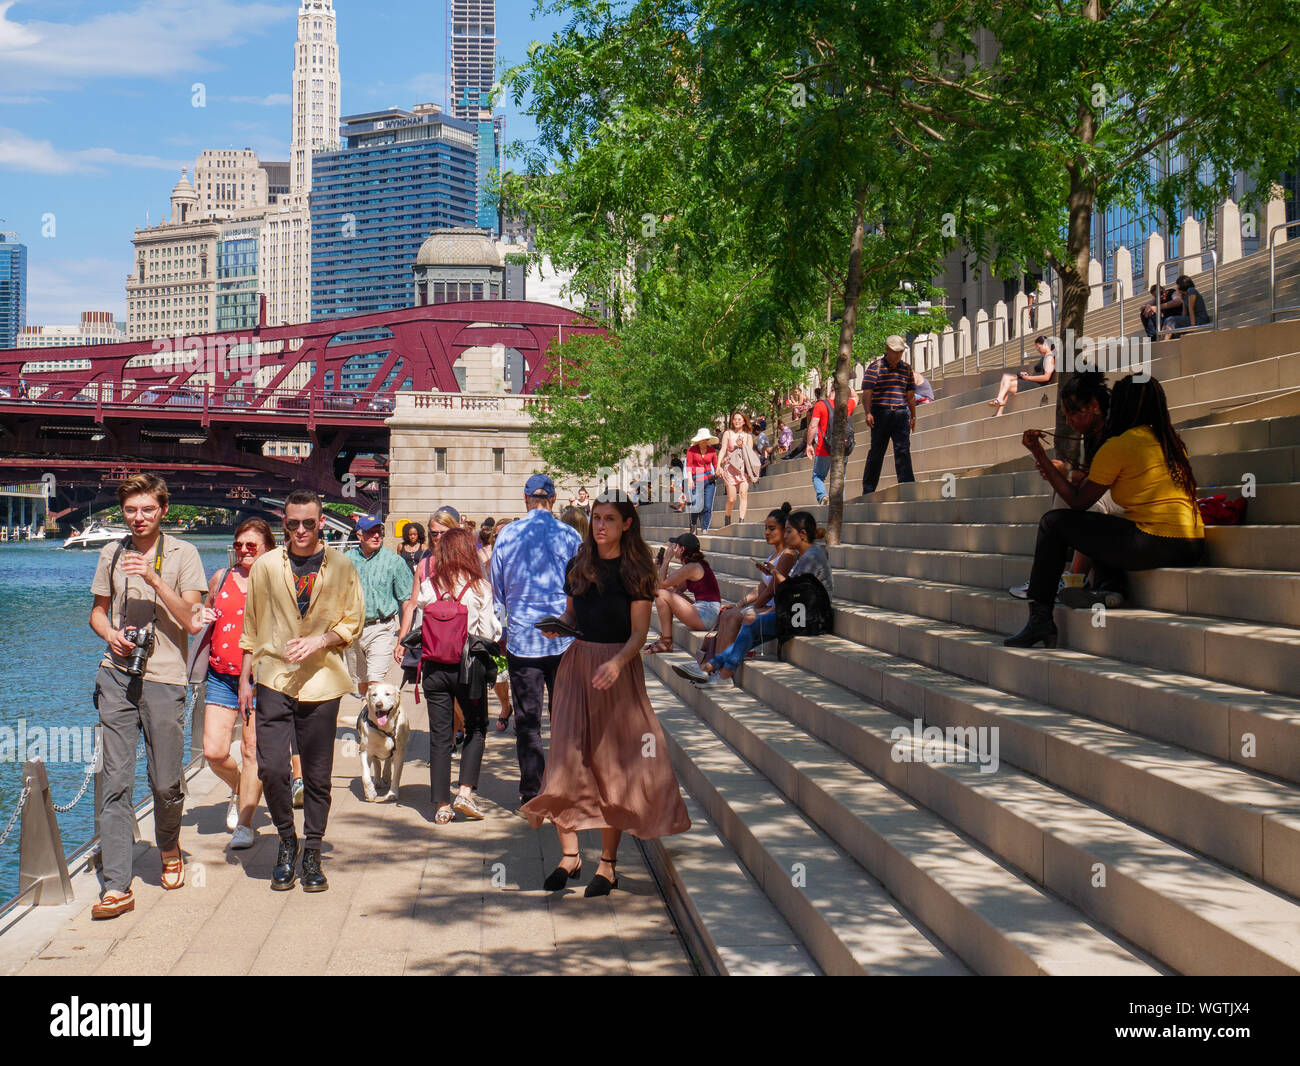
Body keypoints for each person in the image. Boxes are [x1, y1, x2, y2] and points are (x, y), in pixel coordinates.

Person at [524, 498, 690, 895]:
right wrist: (558, 627)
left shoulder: (636, 570)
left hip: (617, 670)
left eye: (609, 519)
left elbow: (638, 634)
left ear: (626, 524)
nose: (599, 526)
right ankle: (569, 856)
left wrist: (616, 663)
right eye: (596, 518)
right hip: (576, 666)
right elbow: (571, 617)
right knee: (567, 758)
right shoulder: (578, 564)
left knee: (613, 768)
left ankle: (608, 864)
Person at [1005, 376, 1205, 648]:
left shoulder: (1121, 444)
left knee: (1053, 523)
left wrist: (1038, 453)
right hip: (1191, 544)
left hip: (1155, 541)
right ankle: (1108, 587)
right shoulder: (1170, 442)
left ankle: (1040, 618)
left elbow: (1077, 501)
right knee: (1104, 525)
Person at [88, 474, 208, 919]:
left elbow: (194, 621)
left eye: (147, 510)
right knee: (116, 782)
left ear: (163, 511)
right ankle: (116, 887)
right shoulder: (110, 552)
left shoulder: (184, 554)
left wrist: (155, 579)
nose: (138, 519)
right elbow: (97, 613)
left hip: (164, 677)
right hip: (116, 675)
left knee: (165, 782)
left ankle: (170, 844)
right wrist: (112, 634)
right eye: (130, 511)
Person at [238, 489, 365, 892]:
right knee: (272, 768)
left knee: (316, 773)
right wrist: (245, 676)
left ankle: (312, 849)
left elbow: (353, 619)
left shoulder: (343, 566)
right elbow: (252, 625)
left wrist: (323, 640)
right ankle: (285, 838)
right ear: (284, 524)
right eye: (292, 523)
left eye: (308, 523)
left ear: (321, 522)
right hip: (273, 675)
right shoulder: (265, 566)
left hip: (322, 679)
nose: (300, 530)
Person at [489, 474, 583, 806]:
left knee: (528, 720)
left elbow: (497, 589)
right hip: (563, 639)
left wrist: (502, 629)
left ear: (526, 499)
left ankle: (532, 790)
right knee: (565, 719)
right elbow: (581, 584)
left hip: (522, 640)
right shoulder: (570, 534)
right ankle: (565, 786)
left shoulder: (507, 534)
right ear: (554, 499)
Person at [400, 527, 501, 823]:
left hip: (433, 668)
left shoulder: (430, 586)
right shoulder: (480, 586)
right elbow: (489, 631)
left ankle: (442, 805)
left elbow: (420, 620)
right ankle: (465, 793)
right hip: (468, 667)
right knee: (477, 726)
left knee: (441, 736)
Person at [674, 510, 831, 685]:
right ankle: (710, 667)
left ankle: (721, 673)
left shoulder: (811, 557)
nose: (786, 536)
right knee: (746, 629)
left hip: (807, 618)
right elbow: (792, 591)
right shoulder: (804, 555)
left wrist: (771, 592)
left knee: (751, 623)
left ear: (802, 534)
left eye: (788, 531)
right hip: (798, 614)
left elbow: (795, 592)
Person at [197, 519, 275, 851]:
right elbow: (203, 609)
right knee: (214, 751)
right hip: (220, 675)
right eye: (239, 545)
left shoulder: (275, 581)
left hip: (260, 678)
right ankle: (240, 787)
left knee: (250, 750)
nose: (243, 551)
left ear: (267, 548)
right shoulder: (222, 577)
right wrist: (201, 613)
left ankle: (245, 824)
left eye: (251, 546)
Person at [1008, 373, 1120, 599]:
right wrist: (1070, 474)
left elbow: (1101, 485)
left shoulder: (1114, 433)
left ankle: (1072, 579)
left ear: (1095, 406)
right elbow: (1091, 476)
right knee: (1064, 497)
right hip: (1111, 497)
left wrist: (1067, 472)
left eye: (1073, 414)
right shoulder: (1091, 434)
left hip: (1131, 501)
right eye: (1065, 415)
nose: (1069, 422)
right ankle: (1056, 578)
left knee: (1090, 506)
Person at [708, 504, 797, 660]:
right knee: (726, 614)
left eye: (771, 528)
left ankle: (721, 669)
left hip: (778, 609)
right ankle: (715, 665)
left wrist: (750, 609)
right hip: (768, 606)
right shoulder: (773, 555)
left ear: (784, 531)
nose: (766, 532)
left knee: (734, 616)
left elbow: (770, 590)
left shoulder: (787, 554)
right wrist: (740, 604)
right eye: (765, 528)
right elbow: (762, 587)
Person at [344, 516, 413, 702]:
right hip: (353, 630)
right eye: (370, 532)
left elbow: (408, 601)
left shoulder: (394, 561)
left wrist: (403, 638)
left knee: (376, 682)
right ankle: (368, 723)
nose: (376, 536)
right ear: (359, 535)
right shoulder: (345, 560)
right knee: (362, 683)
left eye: (378, 531)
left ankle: (377, 726)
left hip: (382, 628)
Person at [645, 533, 724, 654]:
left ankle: (666, 641)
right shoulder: (695, 565)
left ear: (682, 549)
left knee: (660, 594)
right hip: (708, 612)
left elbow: (661, 585)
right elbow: (674, 589)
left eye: (675, 545)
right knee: (666, 592)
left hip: (706, 615)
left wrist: (666, 560)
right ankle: (665, 640)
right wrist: (661, 568)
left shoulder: (691, 567)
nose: (672, 548)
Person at [859, 336, 918, 496]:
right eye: (895, 352)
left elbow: (910, 394)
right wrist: (868, 412)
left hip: (900, 413)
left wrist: (913, 416)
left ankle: (907, 486)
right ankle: (869, 490)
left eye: (900, 352)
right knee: (877, 452)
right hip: (881, 412)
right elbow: (867, 393)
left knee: (903, 450)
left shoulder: (906, 369)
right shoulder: (875, 368)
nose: (898, 355)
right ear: (887, 350)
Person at [806, 384, 859, 505]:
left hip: (825, 449)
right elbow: (856, 397)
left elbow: (813, 425)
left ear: (831, 389)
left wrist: (809, 444)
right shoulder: (846, 405)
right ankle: (840, 503)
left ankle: (823, 496)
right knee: (840, 479)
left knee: (818, 476)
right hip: (842, 448)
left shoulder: (820, 405)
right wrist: (849, 388)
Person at [989, 335, 1055, 416]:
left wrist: (1028, 377)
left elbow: (1046, 377)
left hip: (1038, 384)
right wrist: (1027, 376)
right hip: (1034, 382)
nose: (1038, 350)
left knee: (1007, 383)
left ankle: (999, 405)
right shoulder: (1046, 357)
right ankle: (999, 404)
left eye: (1039, 347)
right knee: (1006, 378)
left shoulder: (1049, 357)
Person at [719, 411, 760, 526]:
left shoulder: (748, 436)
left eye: (739, 419)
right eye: (735, 419)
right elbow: (723, 449)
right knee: (731, 499)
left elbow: (749, 453)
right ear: (732, 421)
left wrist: (743, 446)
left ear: (743, 422)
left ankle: (741, 520)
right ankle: (727, 516)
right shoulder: (728, 433)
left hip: (743, 469)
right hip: (730, 469)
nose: (737, 421)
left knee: (743, 494)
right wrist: (718, 465)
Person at [684, 428, 719, 533]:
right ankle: (694, 524)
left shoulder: (712, 450)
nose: (705, 441)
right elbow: (689, 465)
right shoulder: (691, 450)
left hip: (709, 480)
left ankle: (704, 528)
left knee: (708, 506)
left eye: (707, 439)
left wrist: (718, 470)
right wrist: (690, 479)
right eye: (703, 439)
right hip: (696, 479)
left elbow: (716, 464)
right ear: (699, 440)